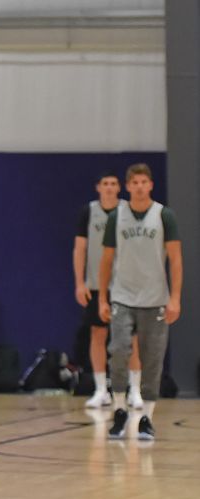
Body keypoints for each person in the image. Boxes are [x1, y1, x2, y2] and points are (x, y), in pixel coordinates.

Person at [98, 163, 183, 442]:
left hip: (155, 297)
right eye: (134, 182)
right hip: (122, 295)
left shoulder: (163, 215)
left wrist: (175, 298)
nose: (139, 187)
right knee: (119, 350)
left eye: (144, 182)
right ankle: (120, 409)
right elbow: (107, 259)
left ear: (150, 185)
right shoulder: (117, 217)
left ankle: (146, 417)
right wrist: (102, 297)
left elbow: (176, 259)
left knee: (153, 359)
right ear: (128, 186)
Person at [73, 172, 142, 409]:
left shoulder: (128, 210)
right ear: (98, 187)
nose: (110, 188)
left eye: (114, 184)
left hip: (125, 284)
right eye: (106, 184)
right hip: (95, 283)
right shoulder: (89, 212)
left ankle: (134, 390)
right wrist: (79, 282)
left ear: (120, 187)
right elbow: (79, 248)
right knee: (97, 334)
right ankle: (101, 389)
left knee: (131, 338)